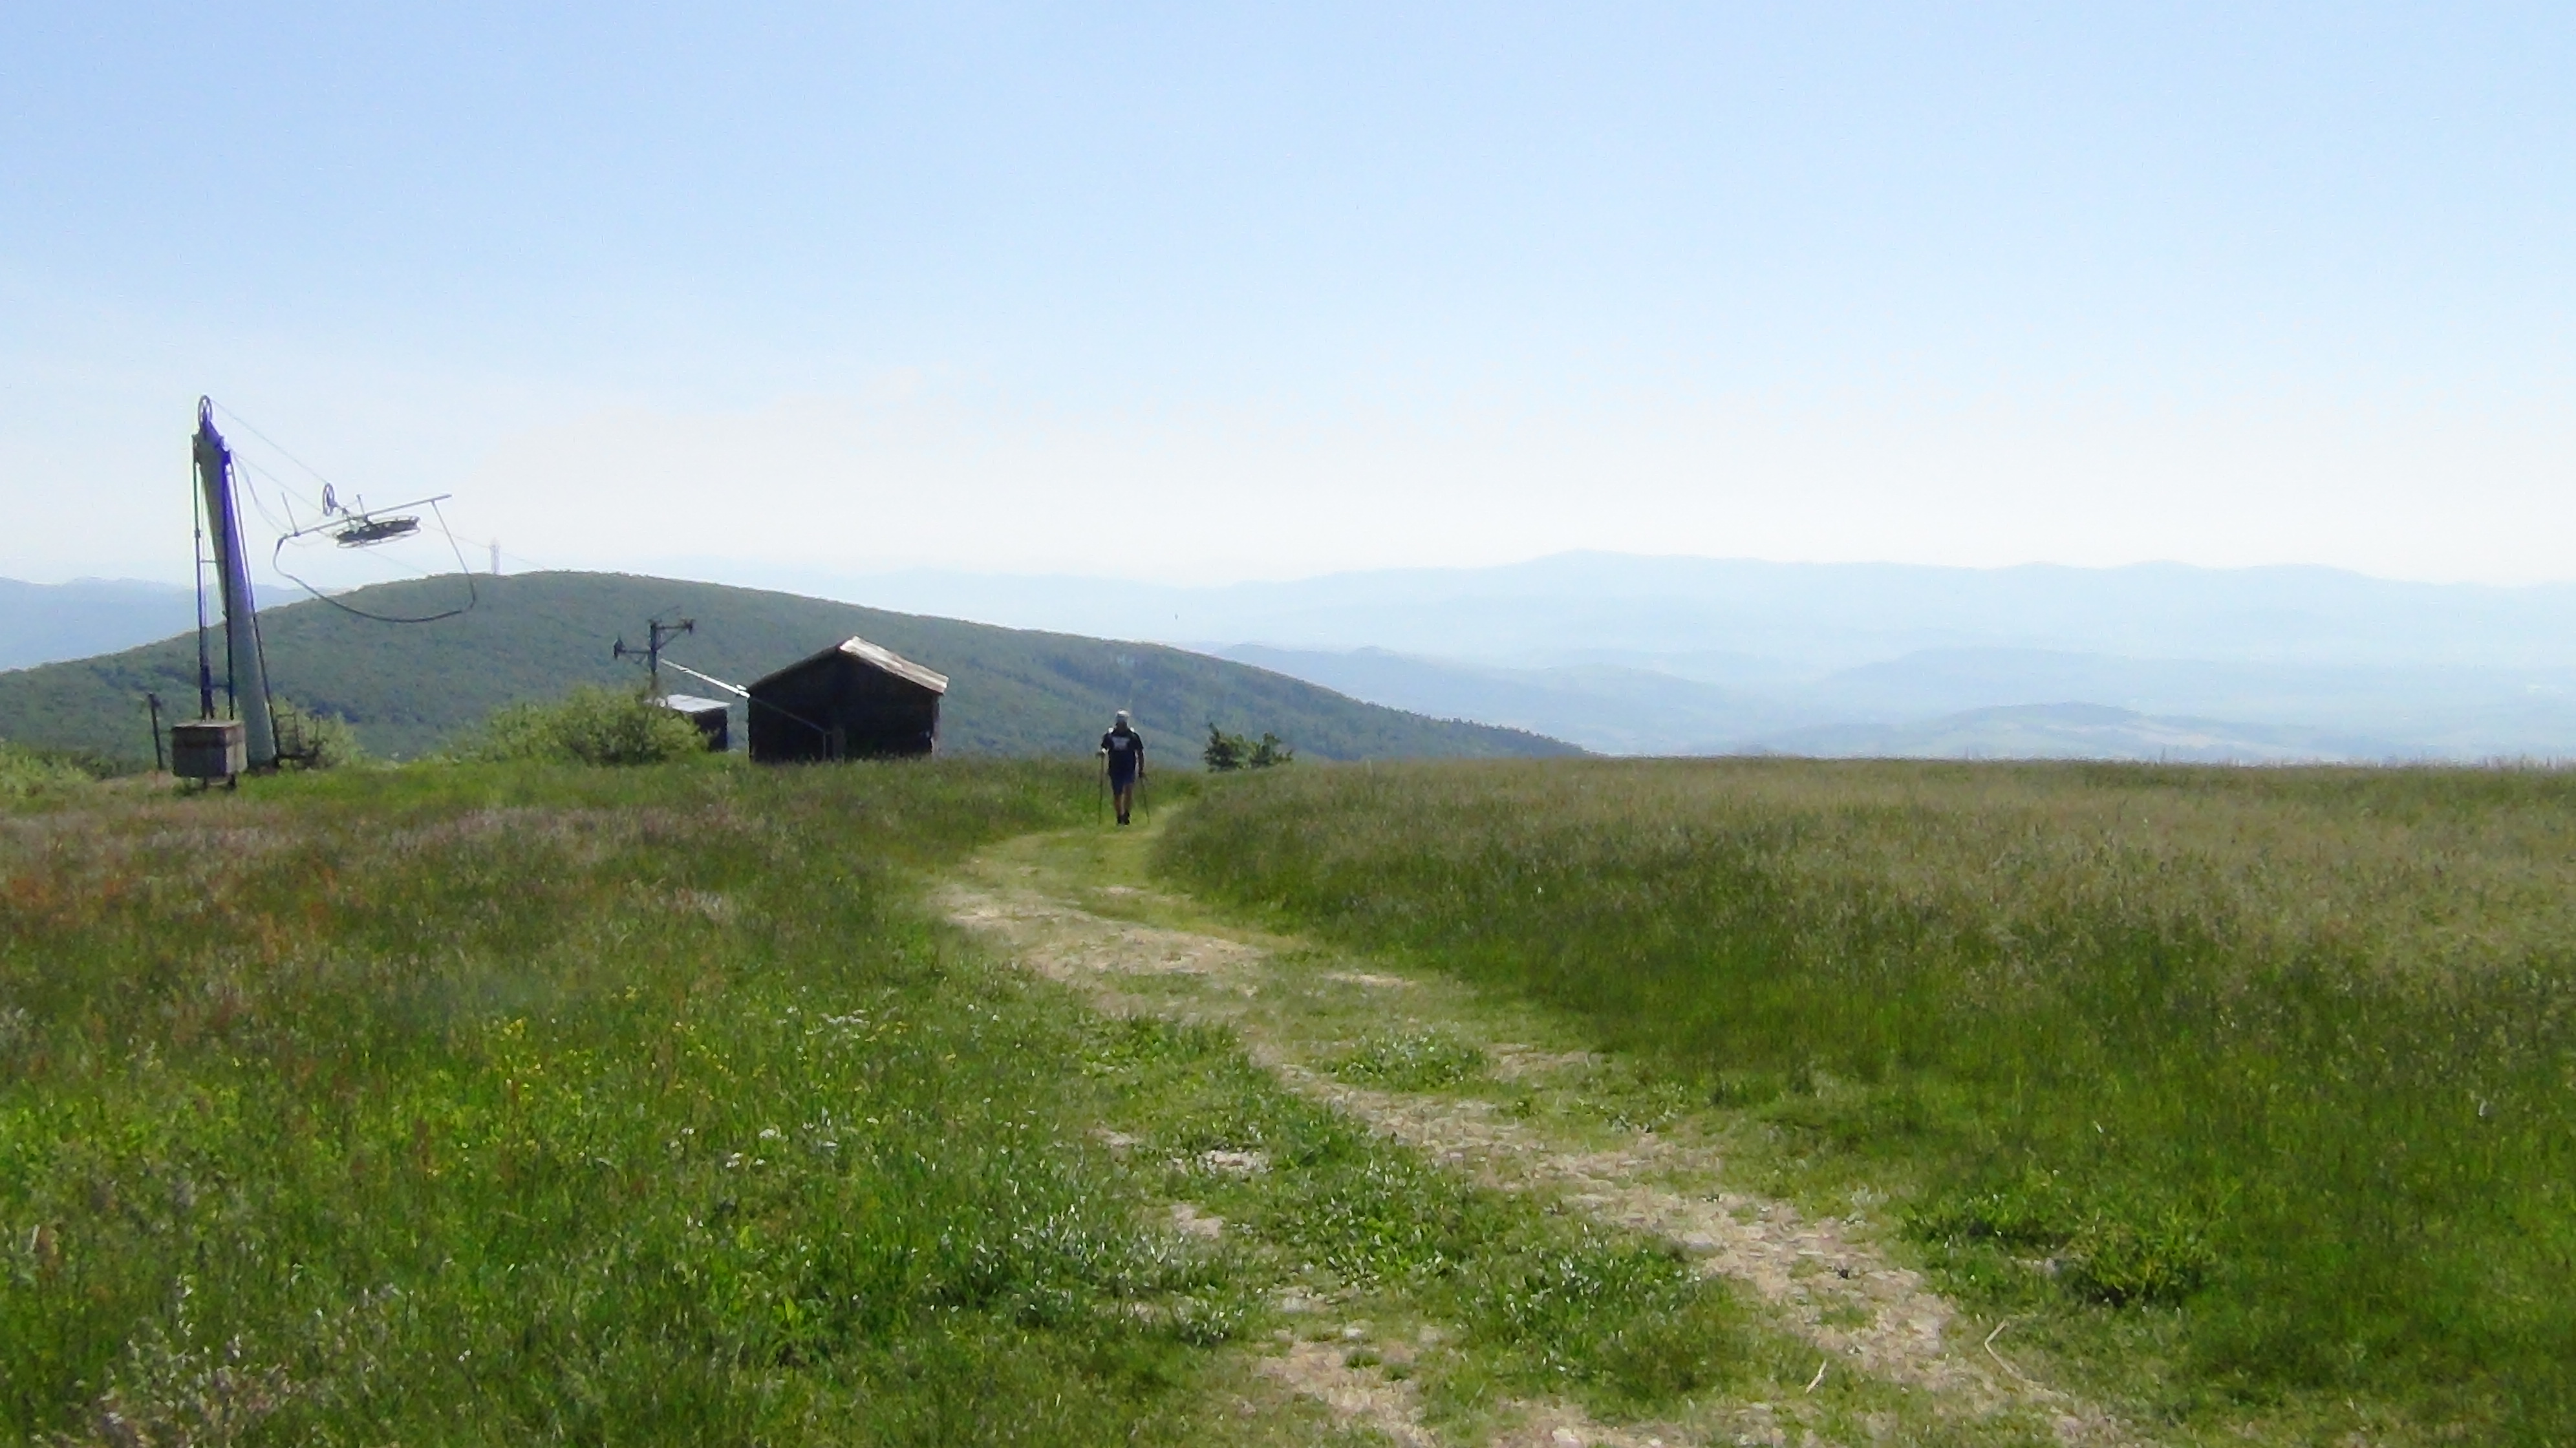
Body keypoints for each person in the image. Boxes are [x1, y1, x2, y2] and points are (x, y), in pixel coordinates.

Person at [1099, 711, 1146, 825]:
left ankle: (1126, 814)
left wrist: (1141, 769)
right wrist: (1103, 752)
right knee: (1117, 794)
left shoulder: (1133, 736)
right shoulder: (1110, 735)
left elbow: (1140, 752)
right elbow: (1105, 746)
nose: (1121, 725)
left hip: (1129, 768)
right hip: (1115, 768)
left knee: (1128, 790)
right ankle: (1119, 817)